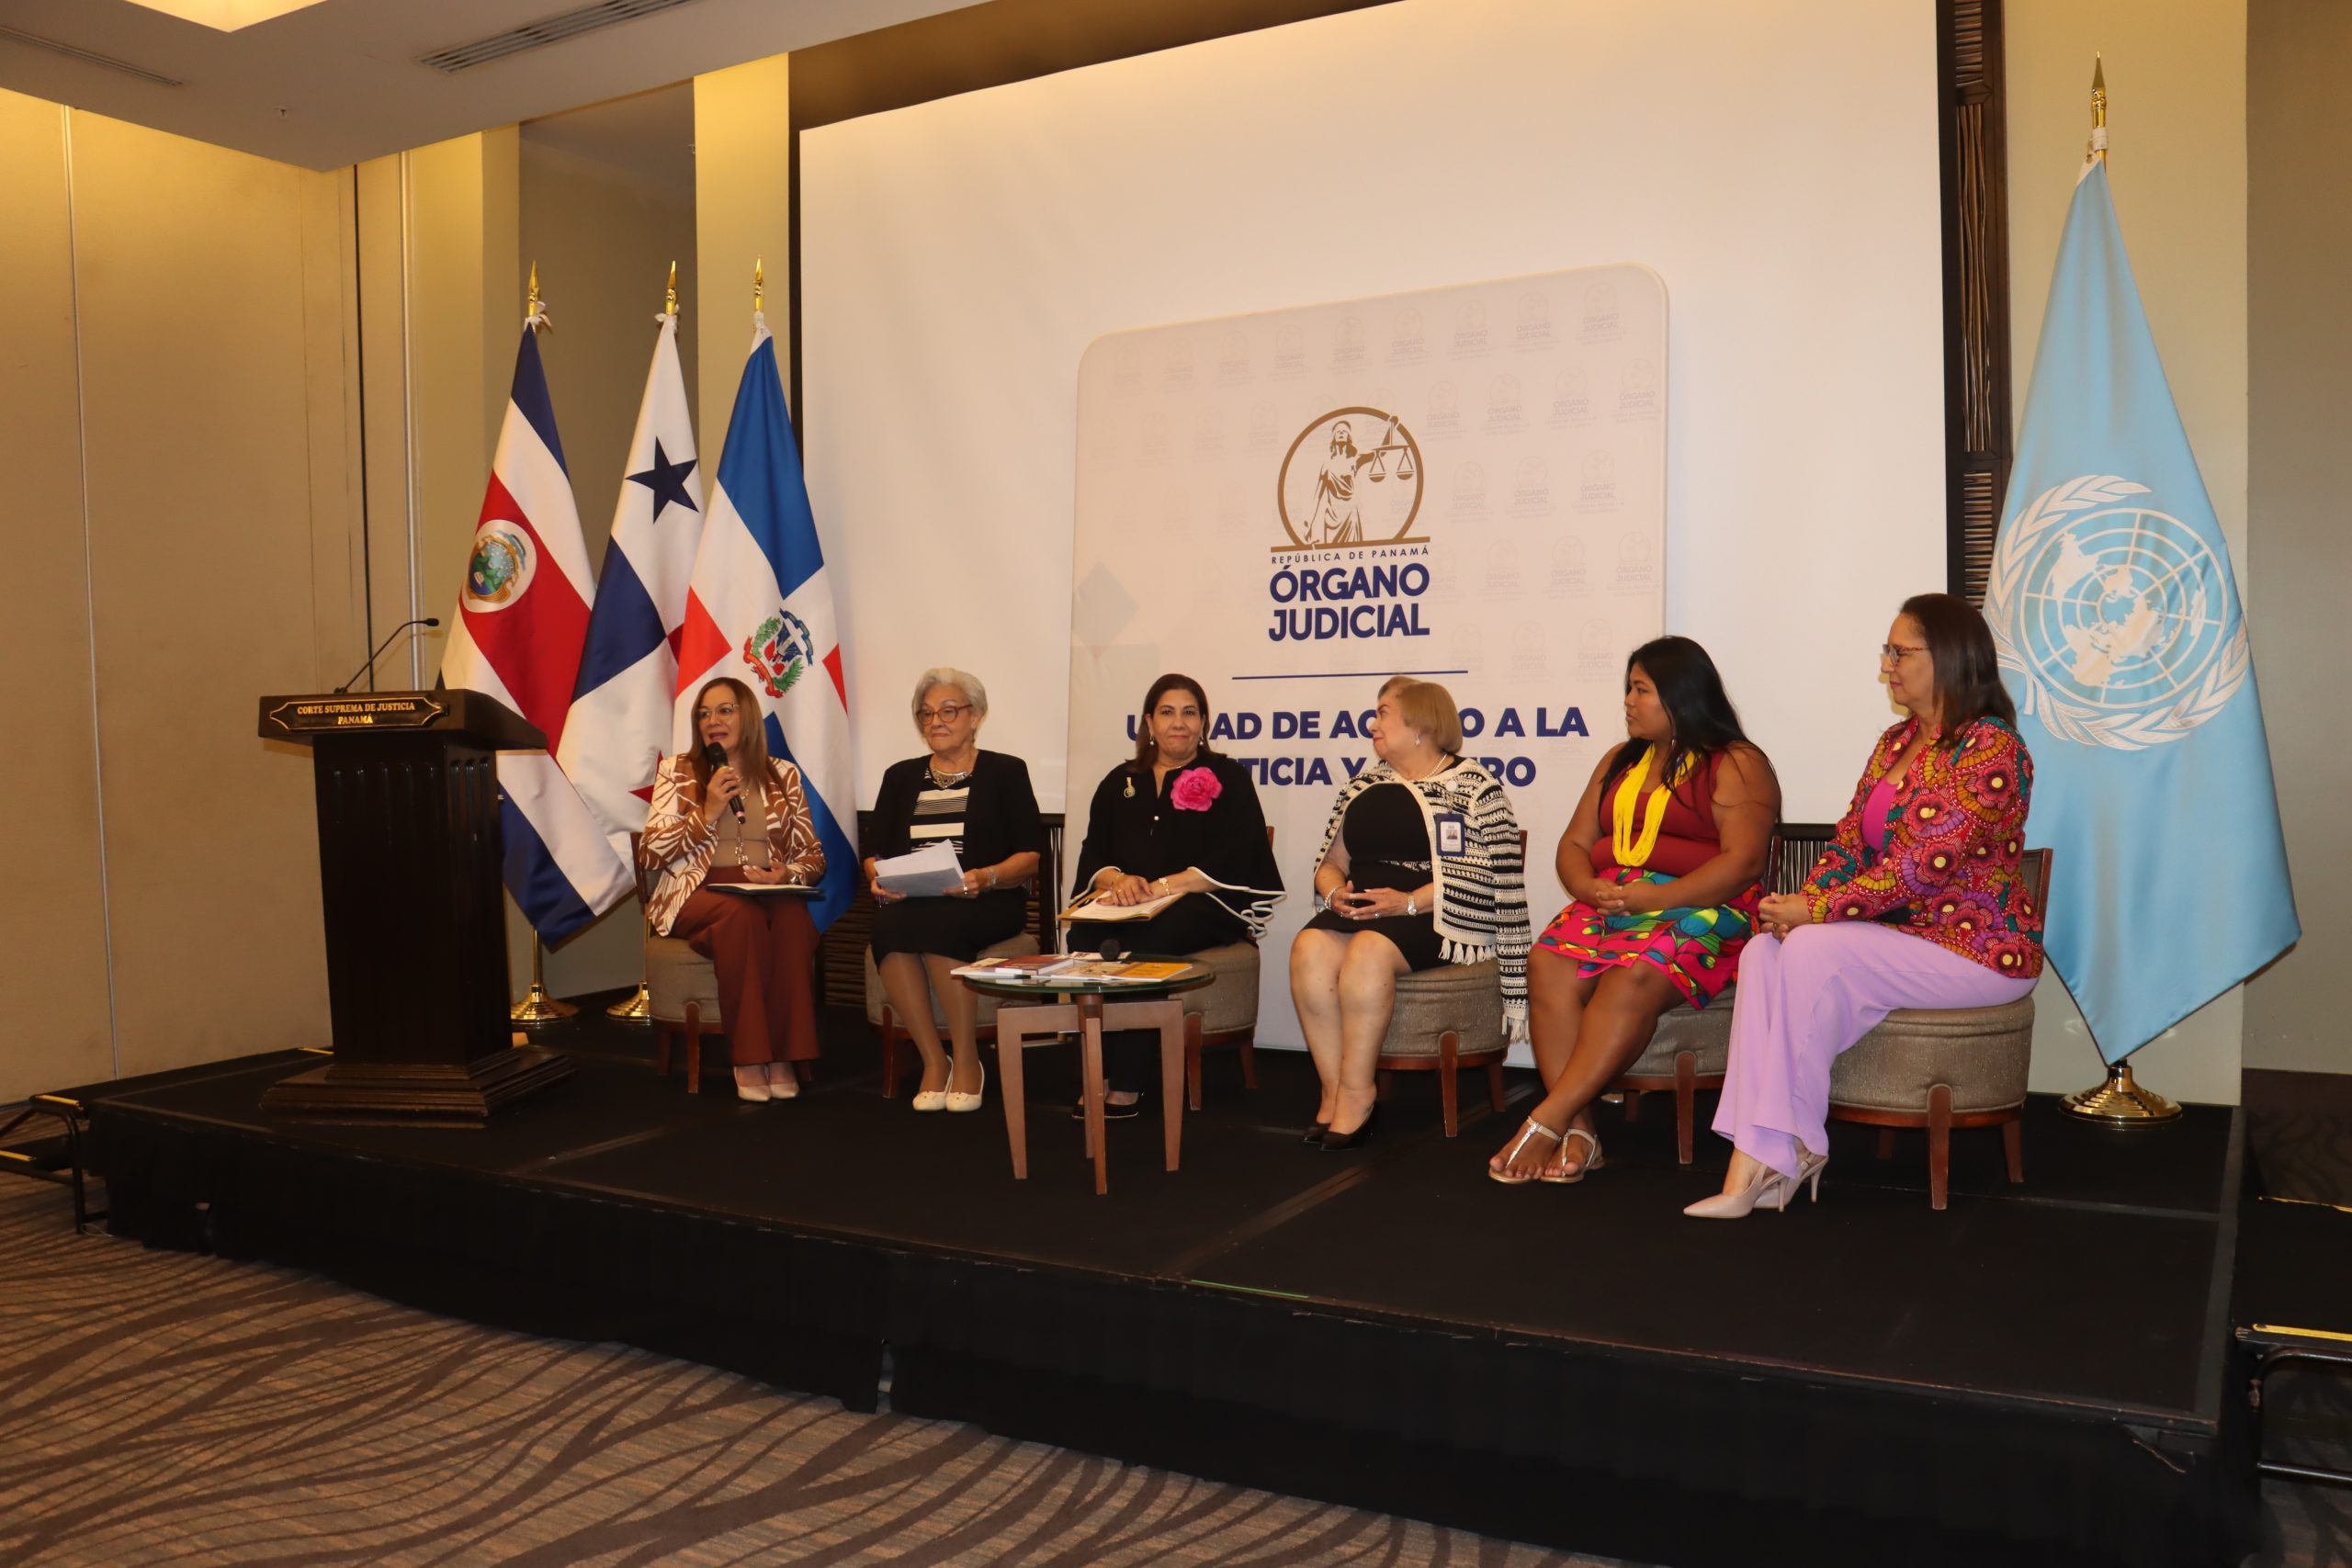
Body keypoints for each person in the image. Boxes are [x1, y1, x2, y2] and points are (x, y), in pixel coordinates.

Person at [1689, 593, 2043, 1218]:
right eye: (1887, 651)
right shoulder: (1894, 742)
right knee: (1762, 952)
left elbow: (1922, 866)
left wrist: (1815, 912)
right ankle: (1770, 1151)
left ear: (1950, 656)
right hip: (1899, 941)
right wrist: (1800, 901)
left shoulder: (1993, 749)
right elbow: (1850, 844)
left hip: (1977, 950)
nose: (1886, 666)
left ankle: (1770, 1155)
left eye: (1900, 652)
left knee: (1811, 944)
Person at [1488, 637, 1779, 1184]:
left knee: (1632, 973)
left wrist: (1661, 897)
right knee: (1547, 960)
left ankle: (1544, 1120)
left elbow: (1743, 863)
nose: (1628, 700)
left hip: (1704, 905)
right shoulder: (1620, 760)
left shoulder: (1736, 761)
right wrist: (1587, 887)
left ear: (1679, 695)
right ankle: (1579, 1131)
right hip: (1615, 900)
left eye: (1641, 690)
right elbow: (1575, 844)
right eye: (1629, 688)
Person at [1290, 679, 1531, 1150]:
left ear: (1420, 724)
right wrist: (1334, 892)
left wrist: (1409, 901)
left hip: (1438, 912)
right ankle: (1333, 1090)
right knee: (1309, 947)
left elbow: (1491, 873)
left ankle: (1358, 1095)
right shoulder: (1363, 786)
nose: (1372, 724)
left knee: (1369, 951)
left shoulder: (1473, 787)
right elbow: (1331, 861)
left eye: (1383, 713)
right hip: (1365, 906)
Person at [1068, 673, 1284, 1116]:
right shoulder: (1119, 780)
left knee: (1147, 941)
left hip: (1202, 903)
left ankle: (1128, 1081)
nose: (1179, 722)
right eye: (1167, 712)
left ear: (1203, 722)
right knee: (1084, 935)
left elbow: (1239, 855)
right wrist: (1118, 881)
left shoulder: (1228, 777)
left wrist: (1163, 888)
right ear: (1149, 722)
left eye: (1190, 713)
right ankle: (1097, 1071)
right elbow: (1094, 853)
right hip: (1128, 902)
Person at [865, 669, 1045, 1112]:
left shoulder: (1006, 771)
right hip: (915, 897)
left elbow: (1030, 855)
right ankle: (933, 1060)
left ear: (975, 715)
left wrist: (987, 877)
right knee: (888, 928)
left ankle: (966, 1060)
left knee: (941, 923)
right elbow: (874, 851)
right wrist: (880, 877)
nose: (935, 722)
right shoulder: (900, 776)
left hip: (988, 897)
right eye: (926, 714)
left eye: (948, 711)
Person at [641, 677, 828, 1102]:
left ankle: (784, 1056)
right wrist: (706, 812)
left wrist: (787, 874)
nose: (713, 721)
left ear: (749, 717)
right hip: (697, 892)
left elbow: (813, 856)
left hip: (765, 889)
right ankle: (749, 1059)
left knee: (792, 918)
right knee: (739, 917)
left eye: (725, 710)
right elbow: (650, 853)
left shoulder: (783, 774)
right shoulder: (677, 771)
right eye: (704, 714)